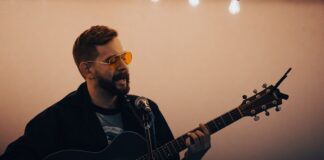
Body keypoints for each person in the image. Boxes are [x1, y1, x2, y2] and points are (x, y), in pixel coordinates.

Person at [0, 25, 211, 160]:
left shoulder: (146, 110)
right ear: (87, 70)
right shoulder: (58, 118)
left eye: (123, 57)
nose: (122, 66)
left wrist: (194, 157)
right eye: (111, 60)